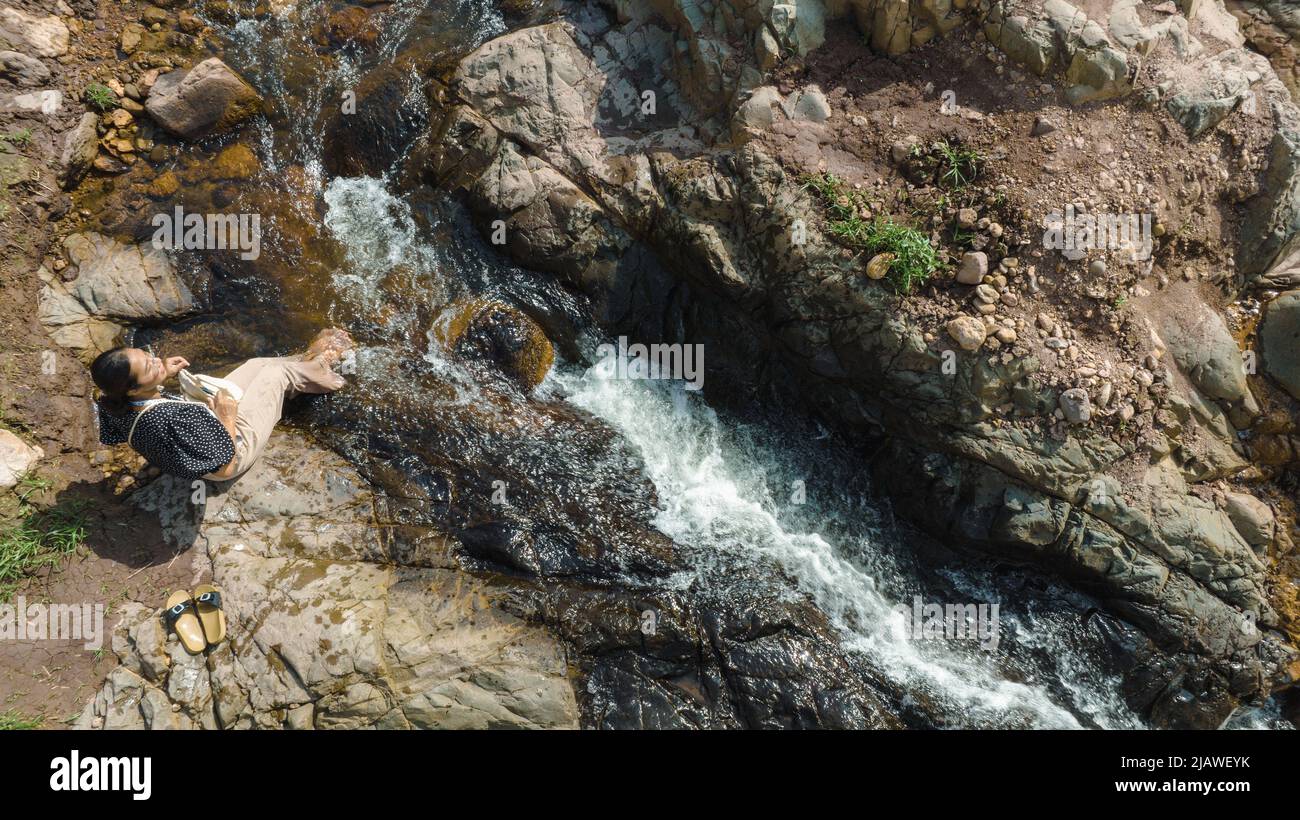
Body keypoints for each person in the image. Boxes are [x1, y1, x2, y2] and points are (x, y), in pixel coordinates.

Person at [91, 329, 352, 482]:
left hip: (206, 430)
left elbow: (131, 430)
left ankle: (308, 363)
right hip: (230, 452)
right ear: (134, 389)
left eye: (147, 354)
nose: (156, 359)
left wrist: (161, 374)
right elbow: (223, 464)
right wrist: (227, 417)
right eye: (149, 366)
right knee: (276, 376)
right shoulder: (169, 419)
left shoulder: (118, 402)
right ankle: (332, 371)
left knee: (257, 365)